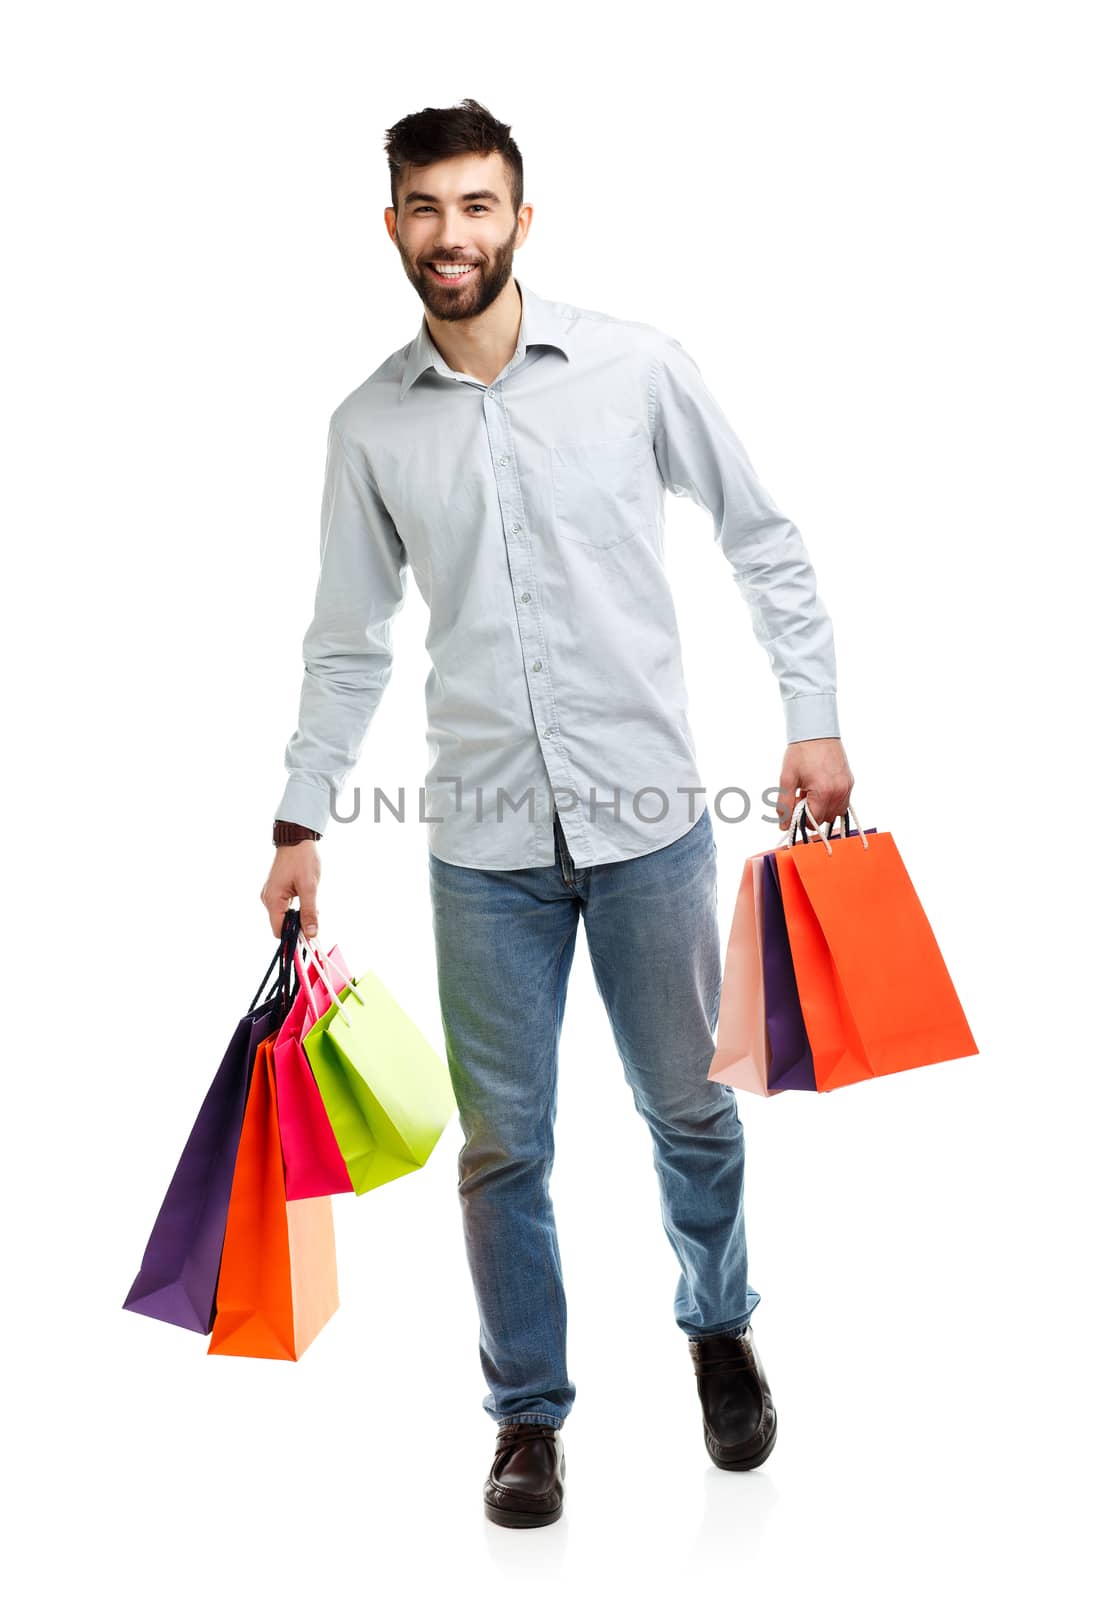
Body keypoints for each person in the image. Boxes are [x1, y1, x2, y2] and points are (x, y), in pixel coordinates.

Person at [261, 97, 854, 1528]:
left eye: (477, 206)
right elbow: (349, 641)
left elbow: (760, 535)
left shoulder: (637, 368)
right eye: (425, 207)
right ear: (392, 224)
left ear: (521, 219)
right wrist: (298, 820)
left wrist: (814, 712)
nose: (450, 234)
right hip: (483, 850)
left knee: (691, 1113)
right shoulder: (367, 430)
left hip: (651, 825)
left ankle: (718, 1327)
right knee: (503, 1147)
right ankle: (527, 1419)